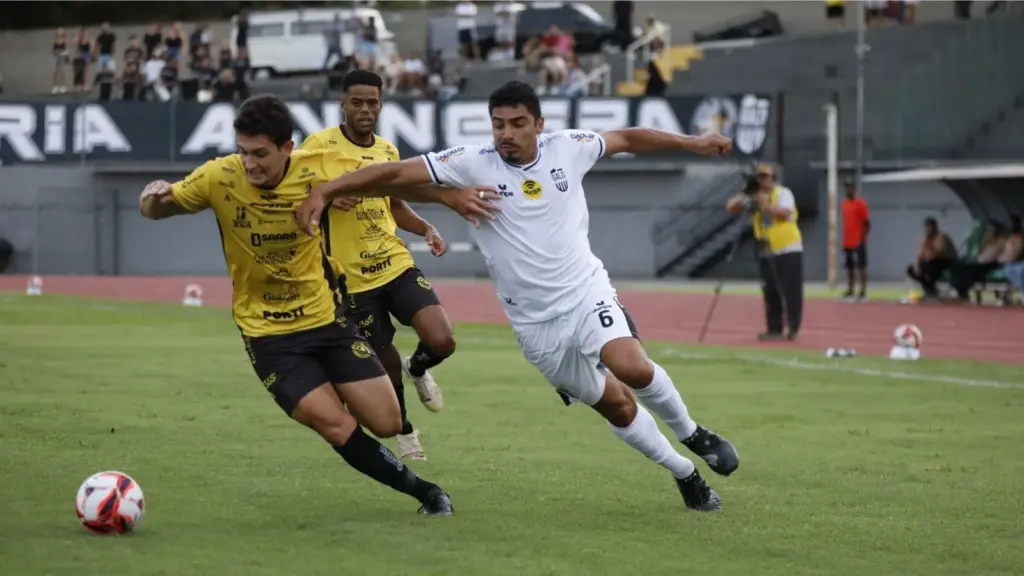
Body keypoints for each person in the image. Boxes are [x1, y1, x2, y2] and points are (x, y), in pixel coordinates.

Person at [296, 81, 739, 512]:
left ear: (538, 124)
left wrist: (693, 142)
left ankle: (693, 433)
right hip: (534, 325)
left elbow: (626, 137)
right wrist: (331, 189)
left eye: (517, 123)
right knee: (618, 406)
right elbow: (395, 174)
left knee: (632, 365)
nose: (506, 133)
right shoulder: (471, 162)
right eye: (498, 124)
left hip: (585, 291)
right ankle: (686, 475)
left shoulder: (571, 146)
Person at [137, 94, 499, 516]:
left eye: (260, 154)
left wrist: (449, 198)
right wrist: (152, 197)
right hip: (268, 335)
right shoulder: (219, 176)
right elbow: (158, 210)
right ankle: (429, 494)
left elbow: (392, 181)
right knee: (335, 424)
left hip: (328, 321)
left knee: (386, 422)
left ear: (288, 149)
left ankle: (346, 396)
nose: (249, 164)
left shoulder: (320, 167)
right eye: (243, 152)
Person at [300, 70, 453, 461]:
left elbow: (395, 203)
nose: (365, 109)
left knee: (441, 340)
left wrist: (425, 227)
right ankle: (405, 432)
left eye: (372, 102)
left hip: (393, 261)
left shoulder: (386, 150)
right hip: (351, 279)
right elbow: (297, 200)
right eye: (357, 102)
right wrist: (329, 198)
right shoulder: (317, 148)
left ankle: (418, 367)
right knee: (385, 366)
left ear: (381, 104)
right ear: (343, 104)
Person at [726, 164, 804, 341]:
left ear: (772, 178)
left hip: (787, 247)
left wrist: (765, 205)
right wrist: (744, 194)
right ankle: (774, 328)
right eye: (759, 177)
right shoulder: (753, 196)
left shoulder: (783, 193)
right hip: (765, 250)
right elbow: (730, 208)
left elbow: (785, 213)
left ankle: (793, 327)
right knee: (770, 292)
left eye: (765, 177)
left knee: (791, 291)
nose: (762, 180)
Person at [949, 216, 1023, 300]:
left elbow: (997, 255)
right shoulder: (988, 240)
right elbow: (980, 252)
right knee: (960, 267)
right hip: (983, 262)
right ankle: (958, 288)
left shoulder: (1002, 240)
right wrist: (986, 239)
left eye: (991, 229)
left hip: (992, 263)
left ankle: (962, 290)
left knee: (971, 270)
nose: (989, 231)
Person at [906, 217, 958, 299]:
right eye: (927, 227)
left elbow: (939, 253)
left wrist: (929, 245)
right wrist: (917, 265)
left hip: (945, 261)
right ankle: (930, 289)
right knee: (912, 269)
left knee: (929, 266)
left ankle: (931, 290)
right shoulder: (924, 239)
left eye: (931, 227)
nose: (929, 229)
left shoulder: (942, 237)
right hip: (930, 262)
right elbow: (920, 255)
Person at [840, 178, 870, 301]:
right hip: (848, 241)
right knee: (849, 267)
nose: (848, 190)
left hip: (859, 240)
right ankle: (850, 289)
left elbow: (867, 222)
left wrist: (863, 238)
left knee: (861, 266)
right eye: (846, 188)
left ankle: (863, 290)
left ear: (854, 189)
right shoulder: (844, 204)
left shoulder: (861, 203)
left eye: (850, 187)